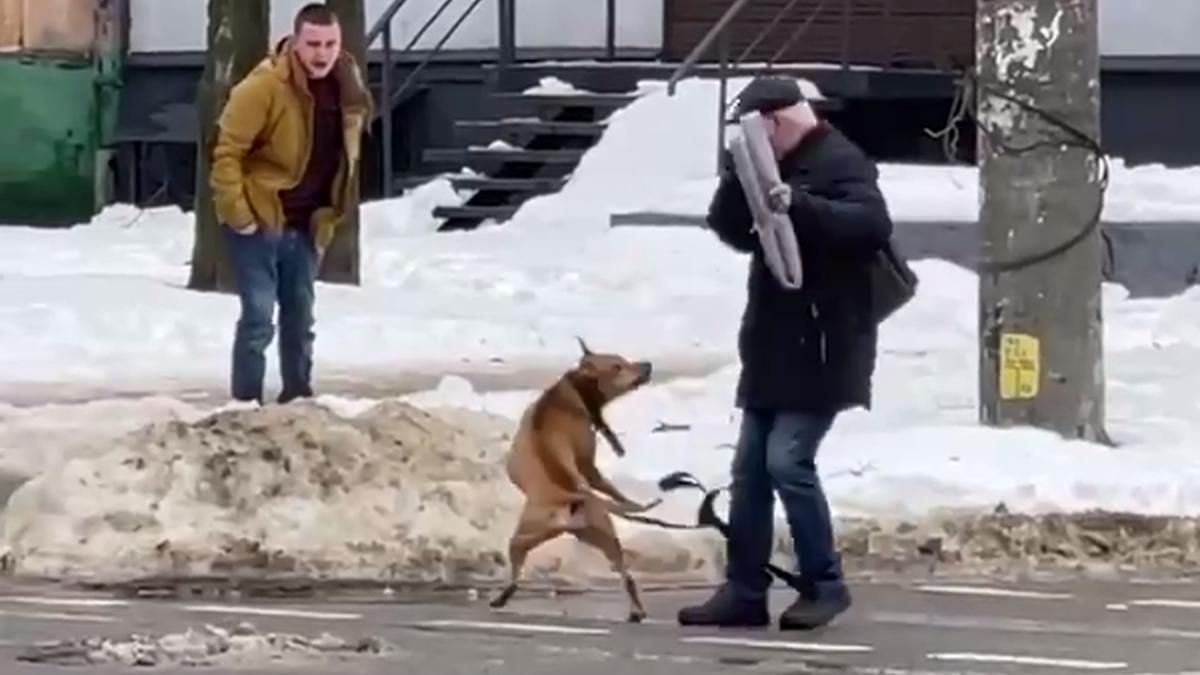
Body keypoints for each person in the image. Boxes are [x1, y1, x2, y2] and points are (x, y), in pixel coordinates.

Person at [677, 76, 894, 631]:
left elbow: (869, 224)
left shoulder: (838, 159)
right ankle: (745, 591)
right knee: (750, 470)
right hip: (774, 342)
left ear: (776, 121)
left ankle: (826, 585)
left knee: (787, 463)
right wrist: (738, 179)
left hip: (825, 343)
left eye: (756, 131)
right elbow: (734, 230)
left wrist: (797, 202)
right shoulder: (770, 163)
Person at [209, 3, 372, 405]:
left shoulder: (348, 83)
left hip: (308, 222)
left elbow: (347, 152)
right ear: (295, 42)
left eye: (330, 43)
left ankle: (298, 401)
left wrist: (333, 212)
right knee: (259, 319)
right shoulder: (263, 86)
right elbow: (226, 151)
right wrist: (239, 215)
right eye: (313, 43)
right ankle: (245, 406)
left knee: (300, 319)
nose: (322, 53)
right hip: (261, 217)